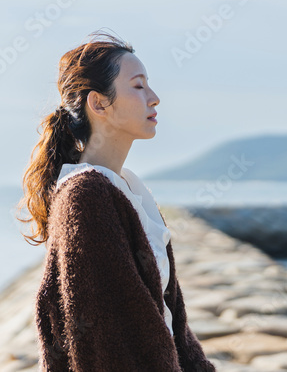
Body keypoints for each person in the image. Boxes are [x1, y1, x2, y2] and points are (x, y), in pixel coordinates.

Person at [17, 29, 216, 372]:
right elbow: (111, 340)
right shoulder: (86, 197)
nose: (154, 98)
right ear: (99, 103)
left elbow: (172, 323)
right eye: (138, 86)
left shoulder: (130, 189)